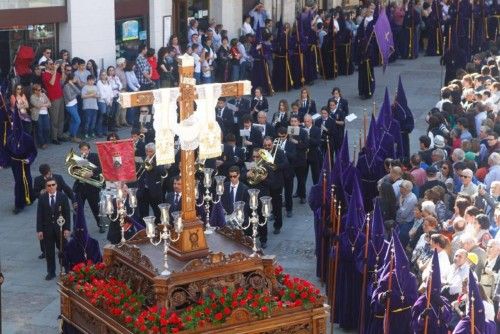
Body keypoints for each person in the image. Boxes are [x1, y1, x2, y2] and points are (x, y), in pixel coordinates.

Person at [36, 177, 71, 280]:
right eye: (49, 185)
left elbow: (67, 214)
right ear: (46, 187)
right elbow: (39, 215)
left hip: (60, 228)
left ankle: (67, 268)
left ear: (56, 186)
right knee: (49, 252)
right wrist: (39, 230)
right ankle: (51, 272)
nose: (51, 187)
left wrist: (67, 229)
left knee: (63, 249)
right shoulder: (42, 198)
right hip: (47, 230)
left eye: (53, 185)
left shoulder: (62, 197)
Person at [72, 142, 103, 232]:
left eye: (85, 149)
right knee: (77, 209)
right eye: (82, 150)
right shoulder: (78, 159)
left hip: (92, 187)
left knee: (96, 208)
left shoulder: (94, 156)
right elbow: (73, 170)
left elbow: (101, 167)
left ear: (89, 150)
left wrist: (92, 173)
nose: (84, 151)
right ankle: (76, 228)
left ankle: (101, 225)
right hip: (80, 187)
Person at [137, 143, 165, 223]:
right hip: (143, 190)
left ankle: (158, 228)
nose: (148, 153)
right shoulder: (143, 159)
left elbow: (162, 172)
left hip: (154, 190)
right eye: (147, 151)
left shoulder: (159, 160)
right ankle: (143, 230)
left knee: (157, 212)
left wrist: (154, 164)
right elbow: (138, 173)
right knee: (143, 213)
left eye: (151, 152)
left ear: (155, 152)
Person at [41, 59, 67, 144]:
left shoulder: (54, 72)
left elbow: (62, 80)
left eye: (53, 63)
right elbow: (51, 83)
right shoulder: (45, 74)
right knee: (54, 119)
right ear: (46, 65)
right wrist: (55, 70)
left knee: (61, 118)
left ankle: (60, 135)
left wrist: (62, 69)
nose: (53, 65)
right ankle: (54, 138)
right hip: (53, 98)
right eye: (51, 64)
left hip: (60, 97)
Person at [29, 83, 51, 149]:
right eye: (38, 90)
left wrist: (44, 104)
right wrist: (45, 104)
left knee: (47, 128)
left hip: (45, 114)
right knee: (40, 129)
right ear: (35, 91)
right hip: (38, 115)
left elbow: (49, 103)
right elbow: (37, 105)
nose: (40, 91)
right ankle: (42, 144)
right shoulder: (32, 97)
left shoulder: (43, 95)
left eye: (41, 89)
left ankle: (46, 141)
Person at [62, 73, 82, 143]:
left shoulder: (72, 85)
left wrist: (72, 85)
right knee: (78, 120)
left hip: (74, 104)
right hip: (70, 105)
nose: (76, 79)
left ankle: (71, 135)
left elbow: (79, 92)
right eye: (75, 78)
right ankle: (74, 136)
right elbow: (70, 98)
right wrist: (75, 94)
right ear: (72, 79)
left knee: (74, 120)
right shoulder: (66, 86)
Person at [96, 70, 114, 138]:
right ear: (100, 76)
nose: (104, 76)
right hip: (102, 102)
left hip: (109, 101)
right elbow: (101, 93)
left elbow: (111, 91)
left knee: (107, 117)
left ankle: (105, 131)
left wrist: (111, 100)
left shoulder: (108, 82)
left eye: (105, 74)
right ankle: (99, 132)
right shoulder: (99, 82)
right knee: (102, 117)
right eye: (102, 75)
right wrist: (108, 102)